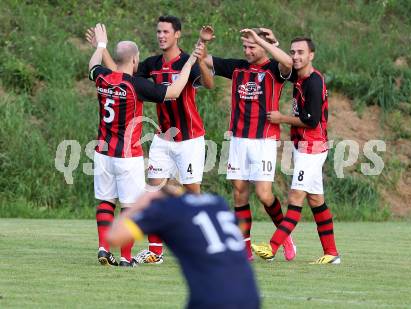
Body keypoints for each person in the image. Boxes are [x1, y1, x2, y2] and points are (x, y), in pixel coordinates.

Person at [88, 16, 215, 264]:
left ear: (177, 34)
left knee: (192, 193)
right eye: (158, 31)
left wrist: (198, 57)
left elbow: (209, 84)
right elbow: (121, 74)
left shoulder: (186, 60)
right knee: (153, 190)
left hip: (189, 138)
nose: (160, 35)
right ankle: (155, 252)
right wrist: (103, 50)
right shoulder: (151, 64)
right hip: (162, 138)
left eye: (166, 31)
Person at [198, 27, 296, 261]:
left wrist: (270, 43)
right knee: (239, 193)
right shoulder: (237, 67)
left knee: (263, 194)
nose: (247, 50)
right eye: (245, 47)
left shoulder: (274, 69)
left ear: (263, 47)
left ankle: (284, 237)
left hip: (264, 141)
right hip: (239, 139)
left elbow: (289, 62)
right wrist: (203, 43)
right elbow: (204, 59)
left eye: (252, 46)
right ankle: (244, 247)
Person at [252, 37, 340, 264]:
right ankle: (331, 253)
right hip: (304, 146)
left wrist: (282, 118)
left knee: (295, 196)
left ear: (311, 55)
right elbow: (282, 62)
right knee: (316, 201)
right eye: (293, 52)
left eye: (301, 52)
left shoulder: (313, 82)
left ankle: (272, 247)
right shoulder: (298, 75)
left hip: (312, 147)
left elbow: (311, 121)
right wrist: (269, 42)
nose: (296, 56)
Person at [106, 186, 261, 309]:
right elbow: (240, 225)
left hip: (213, 298)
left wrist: (139, 204)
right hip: (251, 295)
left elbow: (114, 237)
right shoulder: (216, 202)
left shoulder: (166, 209)